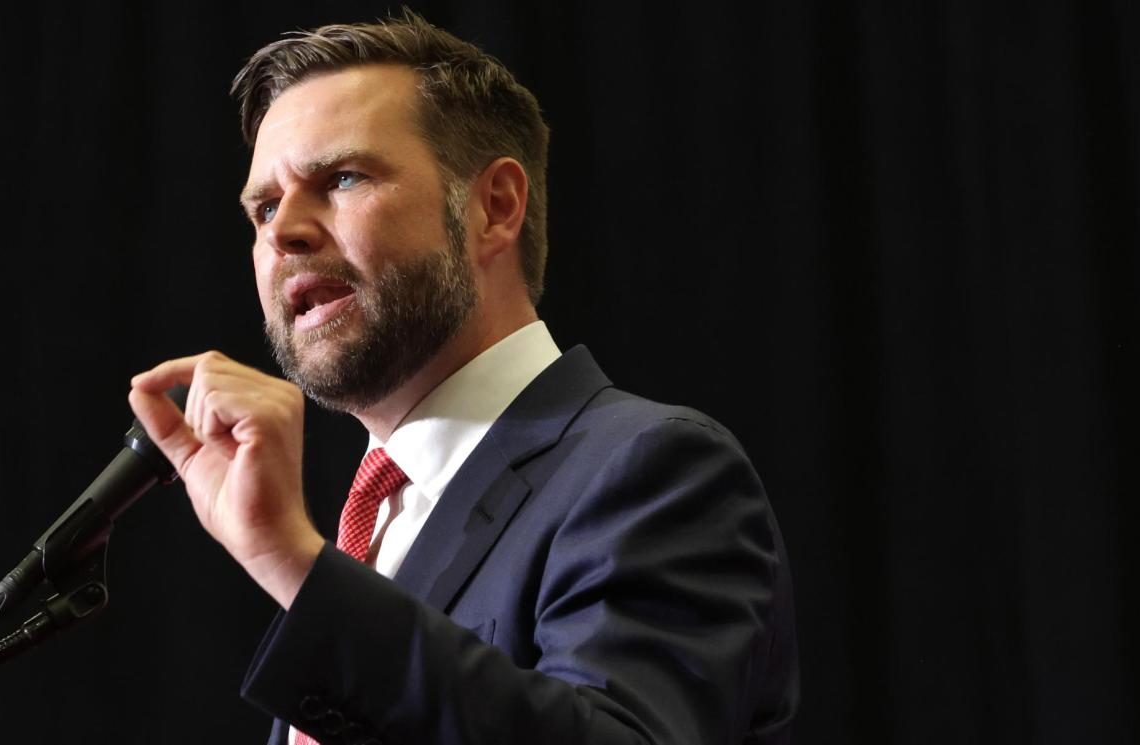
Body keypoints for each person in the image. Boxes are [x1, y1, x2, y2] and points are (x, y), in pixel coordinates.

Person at [129, 11, 798, 745]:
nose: (283, 231)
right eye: (263, 207)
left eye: (342, 177)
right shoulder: (363, 529)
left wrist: (293, 561)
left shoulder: (653, 469)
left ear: (495, 207)